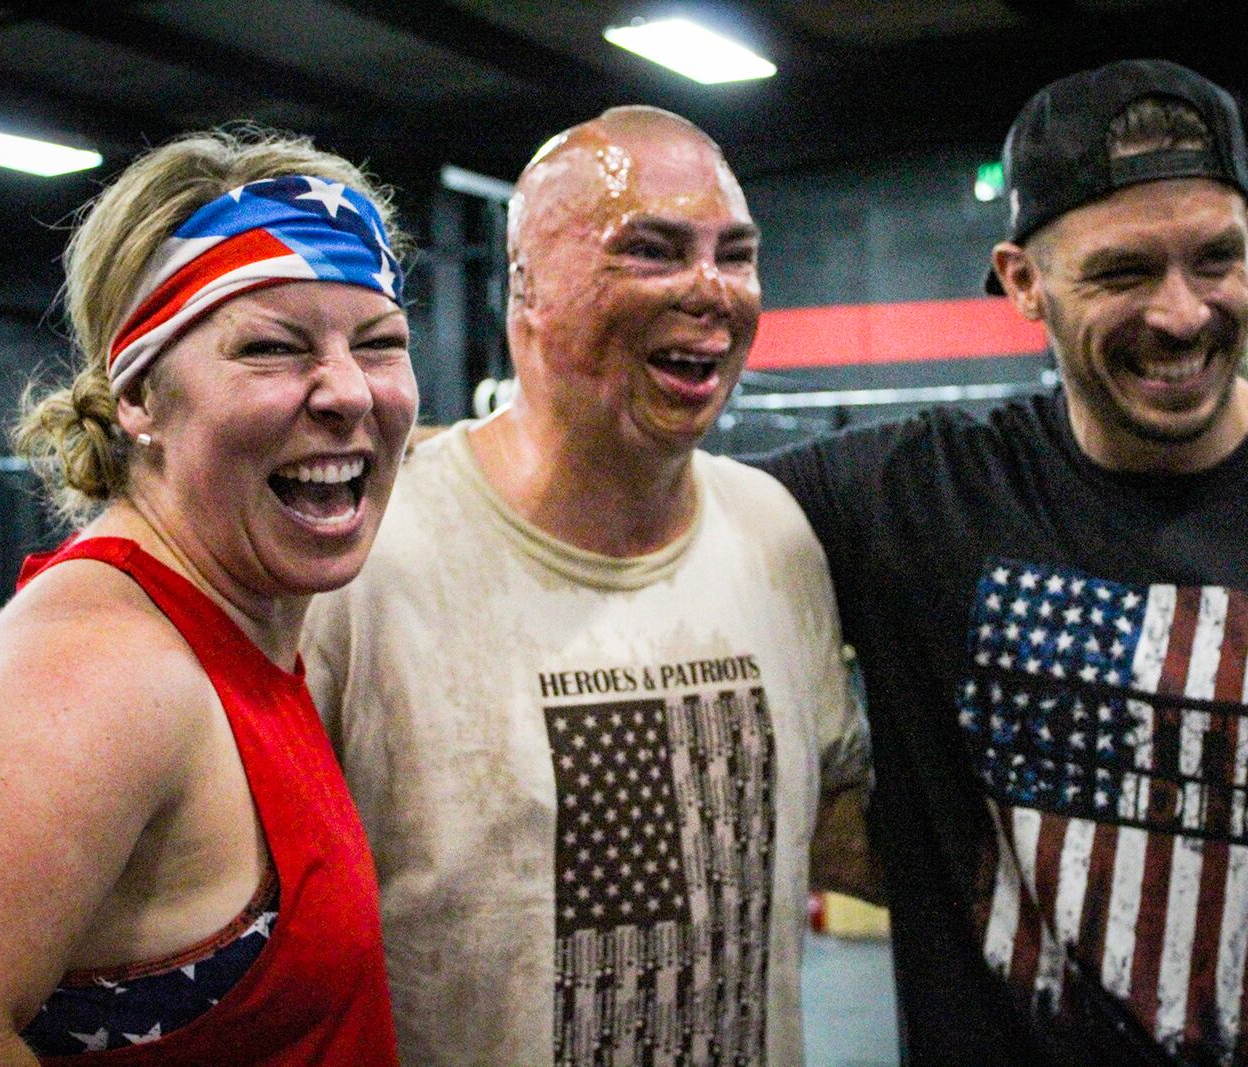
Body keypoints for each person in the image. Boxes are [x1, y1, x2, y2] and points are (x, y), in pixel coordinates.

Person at [755, 58, 1248, 1066]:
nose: (1182, 312)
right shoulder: (909, 498)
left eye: (1214, 258)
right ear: (1021, 281)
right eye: (1123, 272)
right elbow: (638, 520)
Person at [302, 105, 872, 1066]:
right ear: (525, 290)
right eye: (651, 251)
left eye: (736, 254)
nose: (711, 289)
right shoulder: (367, 558)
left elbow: (832, 828)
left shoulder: (773, 531)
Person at [0, 128, 419, 1064]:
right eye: (271, 347)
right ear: (138, 396)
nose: (348, 392)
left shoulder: (237, 625)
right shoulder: (98, 671)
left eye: (379, 344)